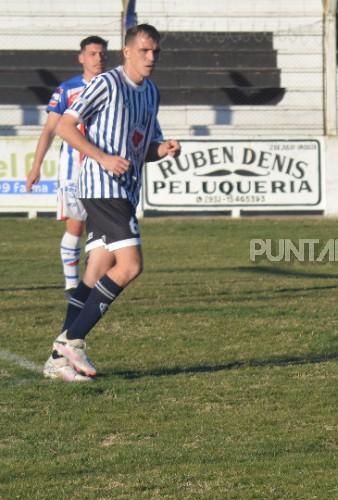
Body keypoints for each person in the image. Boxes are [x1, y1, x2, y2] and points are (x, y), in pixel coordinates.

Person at [41, 24, 181, 382]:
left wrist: (160, 150)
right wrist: (102, 157)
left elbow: (141, 147)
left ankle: (57, 359)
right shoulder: (106, 84)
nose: (152, 57)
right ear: (128, 51)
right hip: (102, 188)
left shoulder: (151, 93)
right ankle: (74, 340)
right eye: (145, 50)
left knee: (95, 272)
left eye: (156, 52)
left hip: (125, 191)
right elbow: (65, 127)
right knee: (131, 265)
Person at [26, 36, 109, 297]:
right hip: (74, 168)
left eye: (101, 54)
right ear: (81, 57)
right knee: (76, 225)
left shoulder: (114, 86)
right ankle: (72, 285)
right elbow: (50, 129)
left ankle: (94, 280)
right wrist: (36, 165)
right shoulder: (68, 90)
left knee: (104, 227)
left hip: (104, 167)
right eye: (92, 54)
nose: (98, 59)